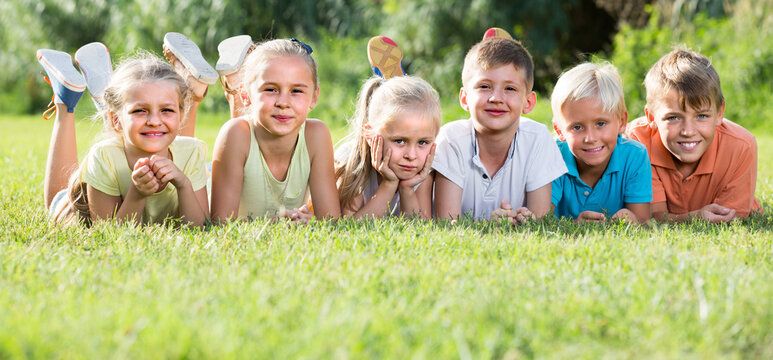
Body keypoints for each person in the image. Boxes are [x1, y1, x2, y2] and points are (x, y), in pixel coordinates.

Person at [39, 47, 209, 226]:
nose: (154, 121)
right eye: (139, 111)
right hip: (76, 209)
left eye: (166, 110)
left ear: (181, 116)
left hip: (120, 124)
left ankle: (107, 101)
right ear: (117, 120)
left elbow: (198, 228)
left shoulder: (192, 152)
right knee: (55, 204)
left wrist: (183, 184)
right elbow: (111, 233)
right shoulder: (105, 157)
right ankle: (66, 101)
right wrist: (137, 194)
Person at [432, 29, 567, 223]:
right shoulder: (451, 140)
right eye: (484, 86)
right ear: (464, 98)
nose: (496, 98)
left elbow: (540, 222)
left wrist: (525, 220)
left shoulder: (538, 138)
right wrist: (489, 225)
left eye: (510, 89)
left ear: (528, 102)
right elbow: (447, 223)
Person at [210, 38, 341, 222]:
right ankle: (218, 85)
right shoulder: (234, 135)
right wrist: (270, 223)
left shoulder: (316, 135)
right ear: (246, 96)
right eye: (271, 89)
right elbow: (220, 224)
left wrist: (307, 221)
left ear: (314, 97)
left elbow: (331, 220)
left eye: (296, 91)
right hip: (214, 175)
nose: (283, 103)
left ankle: (235, 81)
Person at [626, 47, 761, 223]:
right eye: (673, 117)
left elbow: (729, 218)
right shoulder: (637, 140)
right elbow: (651, 216)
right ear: (651, 117)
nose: (688, 132)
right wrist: (695, 218)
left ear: (720, 113)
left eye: (702, 116)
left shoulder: (741, 146)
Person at [335, 36, 439, 218]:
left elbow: (421, 232)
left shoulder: (424, 173)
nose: (411, 155)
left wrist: (407, 189)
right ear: (370, 135)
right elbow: (350, 229)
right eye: (400, 141)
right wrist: (389, 185)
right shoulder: (353, 164)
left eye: (423, 142)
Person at [550, 62, 652, 223]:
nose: (590, 138)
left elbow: (644, 221)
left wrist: (631, 219)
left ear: (621, 121)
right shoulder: (553, 157)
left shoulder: (635, 156)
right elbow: (540, 221)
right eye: (577, 127)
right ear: (559, 130)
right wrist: (574, 224)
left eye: (600, 124)